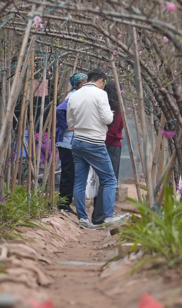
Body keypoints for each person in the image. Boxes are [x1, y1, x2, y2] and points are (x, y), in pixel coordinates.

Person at [67, 69, 129, 229]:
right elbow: (108, 119)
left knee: (79, 181)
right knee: (109, 180)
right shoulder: (100, 95)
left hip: (78, 142)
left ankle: (83, 218)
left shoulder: (75, 95)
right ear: (101, 80)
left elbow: (70, 123)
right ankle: (108, 216)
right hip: (94, 142)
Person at [92, 80, 124, 225]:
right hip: (111, 148)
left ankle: (99, 214)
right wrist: (103, 146)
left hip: (102, 145)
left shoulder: (102, 108)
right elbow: (112, 133)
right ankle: (101, 216)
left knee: (103, 182)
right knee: (109, 181)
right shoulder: (116, 110)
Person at [55, 72, 87, 212]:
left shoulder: (76, 95)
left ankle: (66, 202)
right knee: (68, 172)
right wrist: (67, 127)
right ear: (80, 84)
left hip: (70, 141)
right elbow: (59, 110)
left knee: (70, 172)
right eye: (84, 83)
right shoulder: (73, 96)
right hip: (67, 141)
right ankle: (63, 204)